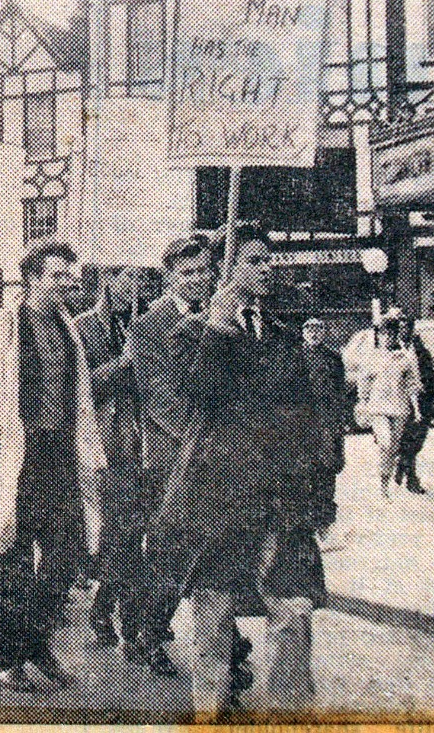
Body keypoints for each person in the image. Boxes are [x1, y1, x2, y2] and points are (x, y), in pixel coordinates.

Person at [146, 225, 325, 719]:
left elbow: (305, 416)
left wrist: (316, 490)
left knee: (293, 608)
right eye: (254, 261)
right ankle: (211, 711)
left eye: (269, 260)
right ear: (229, 270)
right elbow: (191, 397)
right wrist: (215, 332)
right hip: (218, 492)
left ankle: (291, 715)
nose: (266, 269)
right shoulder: (191, 334)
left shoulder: (286, 336)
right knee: (215, 609)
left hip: (280, 494)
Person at [0, 240, 106, 693]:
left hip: (60, 455)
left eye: (70, 276)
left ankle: (35, 644)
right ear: (33, 278)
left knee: (67, 553)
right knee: (14, 559)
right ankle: (10, 659)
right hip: (15, 456)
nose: (68, 283)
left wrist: (92, 454)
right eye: (57, 276)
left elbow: (82, 401)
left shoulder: (67, 328)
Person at [126, 234, 232, 678]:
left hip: (223, 458)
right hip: (174, 458)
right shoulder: (148, 327)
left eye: (205, 270)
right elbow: (160, 399)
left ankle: (227, 643)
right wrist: (203, 440)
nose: (199, 279)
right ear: (169, 277)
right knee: (173, 554)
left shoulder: (222, 318)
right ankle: (149, 633)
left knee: (220, 553)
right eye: (187, 272)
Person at [73, 267, 153, 656]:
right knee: (119, 536)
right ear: (109, 283)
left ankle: (115, 611)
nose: (135, 287)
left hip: (143, 441)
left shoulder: (144, 323)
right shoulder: (84, 327)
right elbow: (81, 386)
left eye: (141, 280)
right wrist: (125, 362)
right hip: (107, 445)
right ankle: (121, 619)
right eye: (128, 279)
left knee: (134, 536)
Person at [356, 312, 423, 500]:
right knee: (385, 444)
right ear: (380, 336)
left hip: (400, 408)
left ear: (396, 336)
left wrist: (416, 409)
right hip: (378, 408)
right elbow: (364, 382)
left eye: (392, 334)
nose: (388, 338)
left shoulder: (406, 357)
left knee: (392, 448)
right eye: (385, 334)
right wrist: (363, 403)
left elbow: (413, 385)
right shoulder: (372, 356)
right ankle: (383, 487)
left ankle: (386, 479)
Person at [301, 317, 349, 542]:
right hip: (303, 423)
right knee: (305, 473)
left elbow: (341, 392)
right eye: (309, 329)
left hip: (328, 422)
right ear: (303, 333)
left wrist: (341, 421)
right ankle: (307, 525)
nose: (314, 333)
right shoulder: (296, 358)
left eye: (318, 329)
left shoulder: (333, 358)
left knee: (327, 471)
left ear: (324, 332)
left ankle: (325, 525)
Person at [396, 313, 433, 494]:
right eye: (402, 327)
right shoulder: (391, 349)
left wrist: (427, 396)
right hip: (399, 400)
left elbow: (428, 374)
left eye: (408, 327)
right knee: (406, 439)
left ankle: (404, 465)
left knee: (417, 440)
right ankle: (411, 477)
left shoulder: (420, 349)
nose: (405, 331)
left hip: (420, 400)